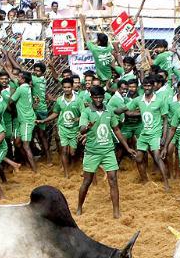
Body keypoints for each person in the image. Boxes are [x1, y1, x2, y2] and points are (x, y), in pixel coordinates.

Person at [76, 86, 136, 219]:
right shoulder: (86, 112)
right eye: (95, 97)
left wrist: (127, 148)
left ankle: (116, 211)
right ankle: (79, 206)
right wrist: (87, 128)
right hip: (92, 152)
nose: (98, 100)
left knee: (113, 180)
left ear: (104, 97)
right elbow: (81, 130)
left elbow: (116, 130)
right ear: (91, 97)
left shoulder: (108, 111)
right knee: (87, 181)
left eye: (100, 97)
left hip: (108, 151)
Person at [124, 75, 170, 190]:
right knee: (139, 158)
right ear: (142, 86)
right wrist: (110, 110)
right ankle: (145, 181)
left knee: (157, 157)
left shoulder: (160, 101)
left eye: (149, 85)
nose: (147, 87)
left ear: (153, 86)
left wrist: (164, 136)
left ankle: (166, 184)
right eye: (145, 85)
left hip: (155, 133)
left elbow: (165, 119)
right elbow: (126, 110)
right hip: (144, 134)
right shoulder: (139, 100)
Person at [38, 76, 82, 178]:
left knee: (72, 152)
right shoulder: (59, 100)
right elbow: (55, 113)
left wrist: (78, 119)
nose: (66, 89)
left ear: (72, 87)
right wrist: (44, 120)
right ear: (62, 88)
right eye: (64, 87)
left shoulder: (78, 100)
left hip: (74, 129)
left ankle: (73, 164)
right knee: (64, 151)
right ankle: (66, 173)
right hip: (63, 128)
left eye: (68, 87)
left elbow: (84, 114)